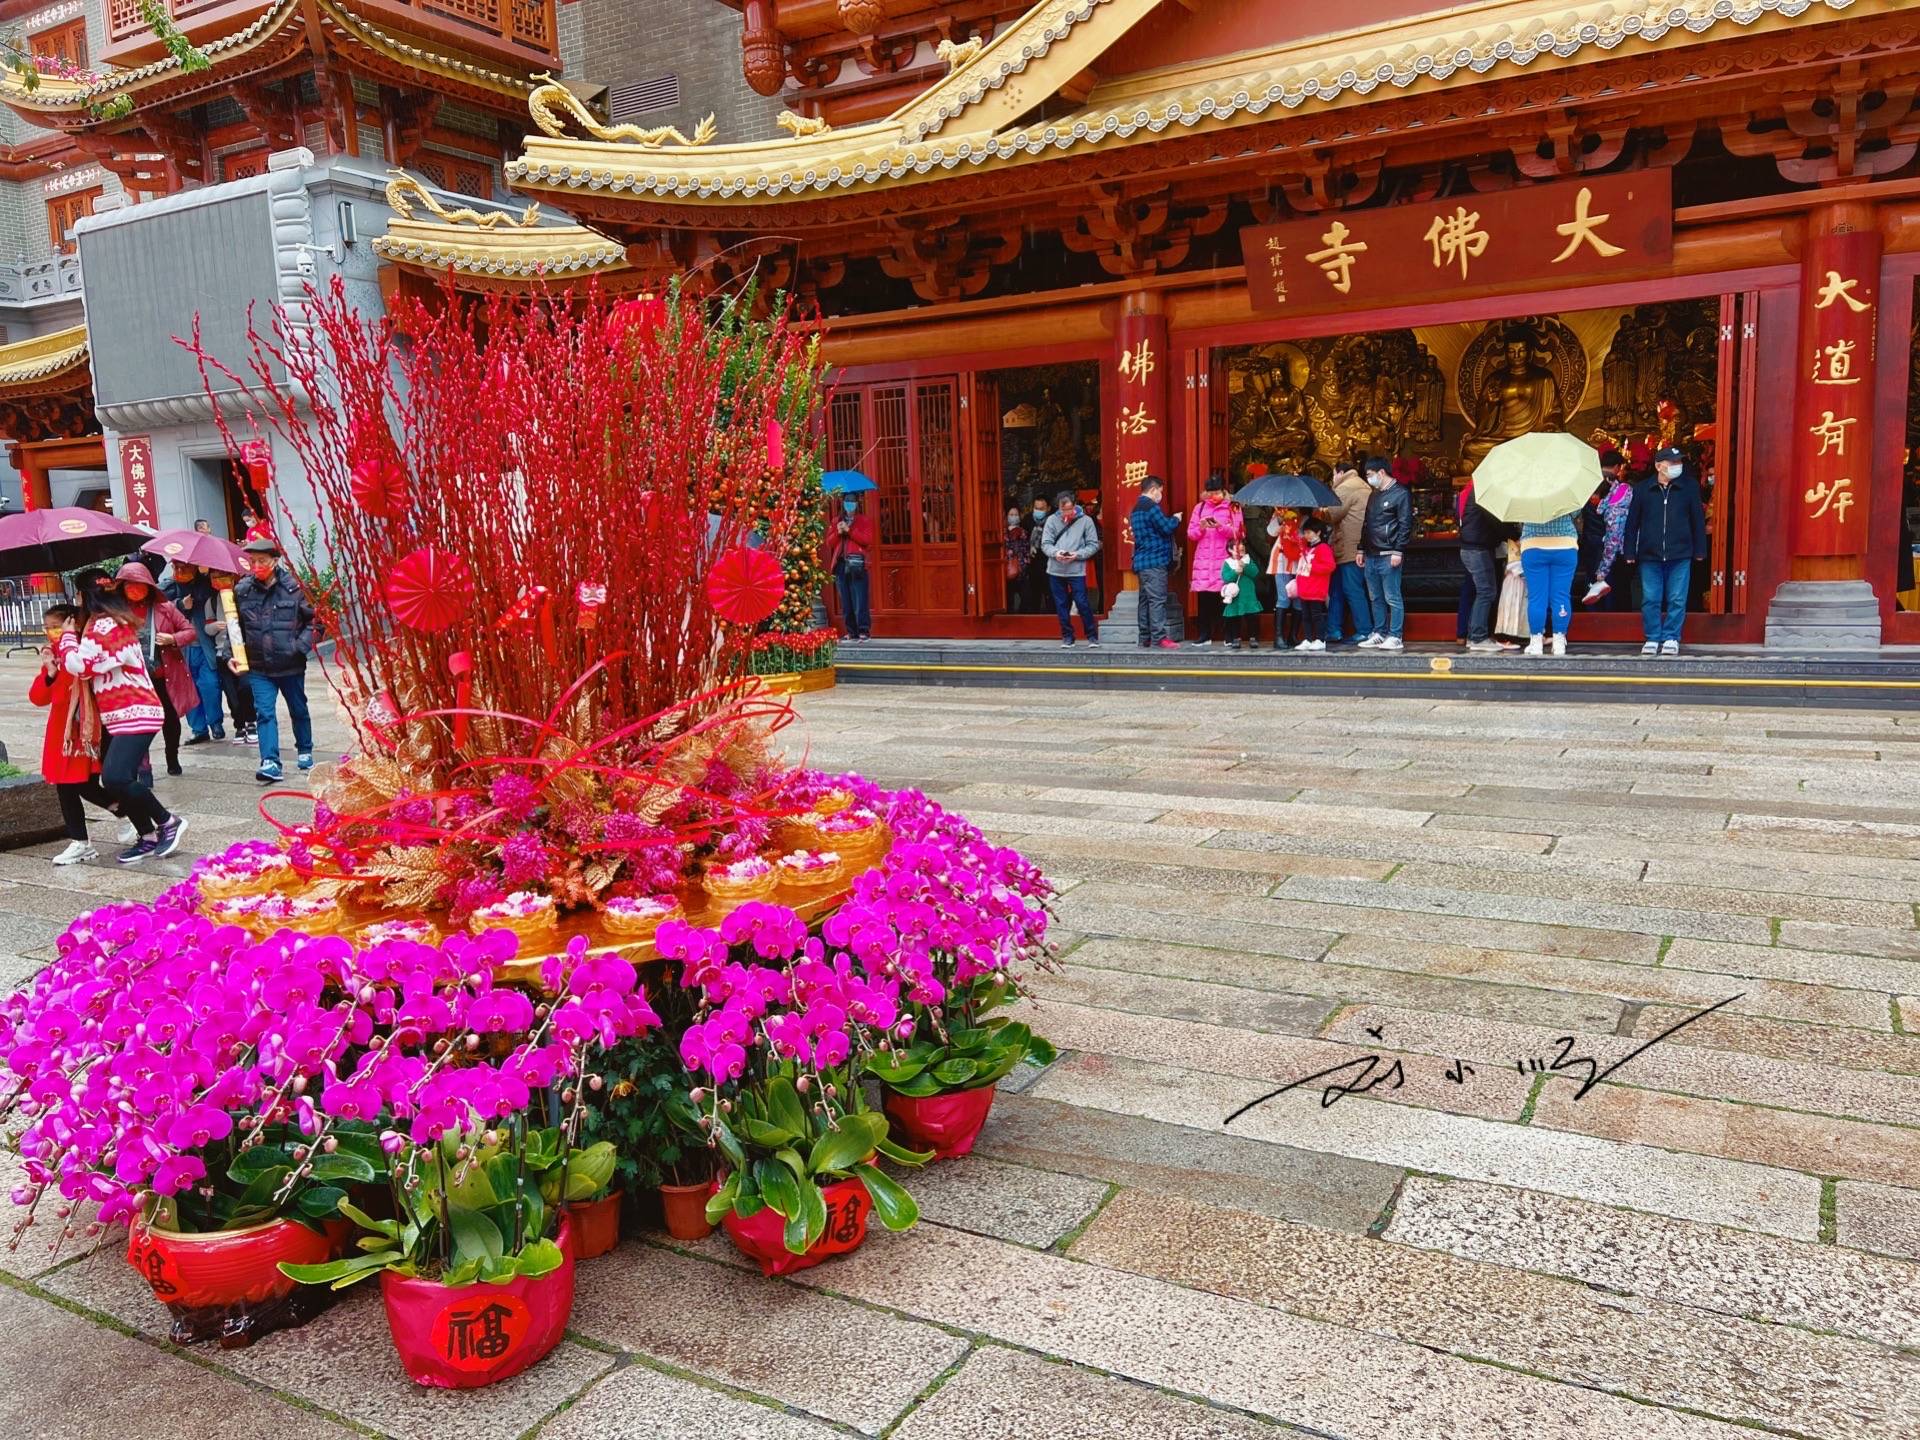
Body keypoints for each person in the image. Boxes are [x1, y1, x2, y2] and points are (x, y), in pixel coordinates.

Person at [56, 583, 185, 863]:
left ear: (85, 596)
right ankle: (147, 836)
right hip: (120, 715)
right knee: (119, 780)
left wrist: (66, 639)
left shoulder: (107, 625)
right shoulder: (103, 623)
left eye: (77, 593)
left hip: (136, 711)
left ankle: (167, 821)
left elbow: (82, 666)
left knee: (115, 777)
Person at [31, 605, 116, 866]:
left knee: (82, 785)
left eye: (56, 627)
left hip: (83, 731)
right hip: (61, 733)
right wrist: (50, 673)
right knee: (67, 785)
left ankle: (130, 815)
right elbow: (38, 698)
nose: (51, 632)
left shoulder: (80, 652)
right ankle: (82, 840)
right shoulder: (53, 656)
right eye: (48, 628)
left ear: (72, 624)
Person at [227, 538, 315, 784]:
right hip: (259, 667)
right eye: (252, 561)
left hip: (291, 664)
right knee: (264, 713)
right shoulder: (243, 590)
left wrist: (299, 647)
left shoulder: (295, 588)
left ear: (275, 561)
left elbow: (316, 621)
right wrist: (231, 653)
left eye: (262, 561)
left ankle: (305, 749)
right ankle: (270, 762)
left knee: (298, 708)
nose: (256, 566)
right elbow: (236, 627)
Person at [109, 562, 200, 778]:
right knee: (139, 724)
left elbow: (189, 631)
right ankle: (144, 768)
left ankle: (172, 757)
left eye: (139, 585)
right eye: (129, 585)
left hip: (162, 675)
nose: (135, 589)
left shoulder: (165, 608)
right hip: (133, 680)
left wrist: (172, 639)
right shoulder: (115, 614)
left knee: (170, 719)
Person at [1624, 445, 1708, 657]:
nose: (1677, 466)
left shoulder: (1688, 487)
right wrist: (1629, 551)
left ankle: (1671, 637)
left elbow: (1697, 520)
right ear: (1659, 466)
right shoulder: (1643, 489)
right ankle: (1652, 637)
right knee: (1650, 598)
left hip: (1680, 553)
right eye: (1672, 462)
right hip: (1650, 554)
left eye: (1679, 462)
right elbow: (1632, 522)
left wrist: (1700, 549)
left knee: (1677, 598)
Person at [163, 561, 228, 742]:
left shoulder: (205, 585)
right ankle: (198, 729)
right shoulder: (168, 587)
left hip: (205, 645)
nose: (180, 571)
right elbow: (161, 609)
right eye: (176, 567)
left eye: (184, 567)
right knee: (188, 689)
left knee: (210, 685)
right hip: (181, 649)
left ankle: (215, 723)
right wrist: (180, 604)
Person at [1356, 457, 1412, 651]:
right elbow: (1366, 524)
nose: (1369, 479)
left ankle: (1395, 635)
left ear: (1381, 472)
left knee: (1392, 596)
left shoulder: (1401, 493)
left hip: (1389, 553)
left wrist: (1399, 550)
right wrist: (1361, 548)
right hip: (1371, 553)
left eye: (1370, 475)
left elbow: (1405, 524)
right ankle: (1379, 632)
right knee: (1375, 597)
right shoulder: (1374, 495)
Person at [1458, 482, 1516, 653]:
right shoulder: (1485, 493)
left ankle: (1474, 636)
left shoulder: (1477, 491)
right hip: (1477, 549)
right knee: (1486, 592)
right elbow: (1496, 522)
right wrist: (1515, 535)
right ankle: (1478, 637)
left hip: (1473, 547)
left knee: (1483, 592)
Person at [1186, 474, 1242, 648]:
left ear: (1224, 491)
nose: (1213, 496)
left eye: (1217, 492)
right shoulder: (1200, 507)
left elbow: (1239, 532)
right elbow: (1191, 534)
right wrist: (1202, 528)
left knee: (1227, 597)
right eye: (1210, 493)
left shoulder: (1233, 507)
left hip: (1224, 559)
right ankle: (1204, 635)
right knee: (1204, 599)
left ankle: (1230, 635)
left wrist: (1220, 527)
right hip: (1204, 560)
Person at [1040, 490, 1101, 647]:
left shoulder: (1085, 520)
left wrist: (1077, 555)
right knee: (1061, 604)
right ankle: (1067, 636)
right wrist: (1056, 553)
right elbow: (1045, 544)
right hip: (1055, 569)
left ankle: (1092, 635)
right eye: (1063, 509)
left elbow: (1093, 544)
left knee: (1082, 602)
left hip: (1076, 569)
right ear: (1058, 507)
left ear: (1074, 505)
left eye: (1069, 509)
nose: (1066, 513)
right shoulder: (1051, 520)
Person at [1322, 459, 1371, 645]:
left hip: (1348, 548)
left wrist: (1318, 510)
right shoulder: (1363, 485)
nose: (1333, 479)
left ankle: (1364, 630)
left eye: (1334, 475)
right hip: (1354, 546)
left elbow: (1332, 514)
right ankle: (1333, 629)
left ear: (1340, 473)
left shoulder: (1345, 487)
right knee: (1338, 589)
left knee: (1350, 589)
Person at [1519, 507, 1580, 656]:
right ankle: (1559, 642)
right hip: (1565, 545)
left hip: (1533, 545)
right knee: (1561, 596)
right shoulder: (1566, 492)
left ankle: (1536, 643)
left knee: (1536, 597)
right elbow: (1575, 512)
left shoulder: (1525, 493)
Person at [1129, 475, 1181, 649]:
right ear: (1153, 489)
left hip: (1141, 561)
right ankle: (1159, 637)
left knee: (1144, 600)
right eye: (1160, 491)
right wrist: (1176, 519)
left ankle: (1145, 637)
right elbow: (1166, 527)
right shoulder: (1151, 507)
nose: (1161, 495)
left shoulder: (1136, 508)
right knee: (1157, 600)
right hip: (1155, 560)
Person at [1580, 451, 1636, 607]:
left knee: (1592, 585)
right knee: (1613, 588)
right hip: (1612, 544)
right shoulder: (1620, 489)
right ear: (1617, 467)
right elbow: (1616, 525)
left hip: (1590, 542)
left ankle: (1592, 617)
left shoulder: (1586, 485)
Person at [823, 493, 875, 642]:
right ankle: (851, 631)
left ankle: (863, 630)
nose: (849, 504)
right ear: (843, 503)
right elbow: (829, 543)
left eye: (852, 501)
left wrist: (850, 531)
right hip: (841, 564)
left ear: (857, 503)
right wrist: (838, 532)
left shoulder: (864, 521)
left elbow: (867, 540)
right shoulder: (836, 521)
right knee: (846, 600)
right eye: (847, 501)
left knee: (860, 598)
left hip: (857, 563)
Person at [1287, 517, 1335, 651]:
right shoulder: (1306, 549)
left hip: (1316, 589)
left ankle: (1320, 639)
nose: (1306, 535)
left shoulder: (1323, 548)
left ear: (1318, 532)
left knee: (1316, 616)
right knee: (1306, 616)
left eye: (1309, 532)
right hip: (1305, 589)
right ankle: (1308, 639)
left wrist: (1313, 567)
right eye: (1305, 533)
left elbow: (1330, 566)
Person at [1264, 509, 1305, 650]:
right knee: (1284, 598)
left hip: (1299, 561)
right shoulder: (1280, 514)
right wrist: (1280, 520)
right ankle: (1279, 637)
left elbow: (1306, 536)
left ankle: (1293, 636)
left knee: (1299, 599)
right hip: (1281, 561)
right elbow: (1271, 531)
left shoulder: (1304, 516)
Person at [1219, 539, 1263, 649]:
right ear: (1230, 550)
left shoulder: (1247, 560)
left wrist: (1245, 567)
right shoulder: (1228, 563)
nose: (1241, 547)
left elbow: (1255, 572)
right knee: (1235, 618)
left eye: (1242, 545)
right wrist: (1235, 572)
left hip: (1248, 595)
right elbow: (1226, 577)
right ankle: (1236, 638)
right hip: (1236, 597)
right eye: (1237, 546)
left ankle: (1253, 637)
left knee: (1252, 617)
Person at [1022, 496, 1052, 612]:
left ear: (1048, 508)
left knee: (1050, 595)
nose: (1038, 511)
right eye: (1036, 508)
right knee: (1033, 596)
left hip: (1049, 563)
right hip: (1032, 563)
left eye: (1041, 509)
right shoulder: (1027, 520)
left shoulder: (1052, 521)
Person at [1002, 506, 1030, 613]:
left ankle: (1022, 617)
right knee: (1008, 599)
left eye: (1016, 515)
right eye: (1011, 515)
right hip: (1007, 569)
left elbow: (1026, 550)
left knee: (1026, 597)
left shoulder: (1023, 532)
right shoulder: (1003, 533)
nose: (1013, 517)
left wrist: (1025, 564)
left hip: (1021, 569)